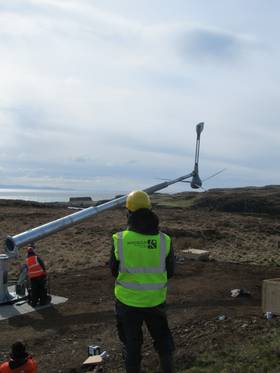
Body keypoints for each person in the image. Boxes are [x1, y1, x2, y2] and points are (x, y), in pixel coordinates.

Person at [110, 190, 175, 373]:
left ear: (128, 212)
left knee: (131, 344)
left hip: (127, 303)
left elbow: (113, 271)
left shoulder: (120, 239)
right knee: (163, 340)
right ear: (150, 210)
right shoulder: (165, 240)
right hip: (155, 301)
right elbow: (170, 271)